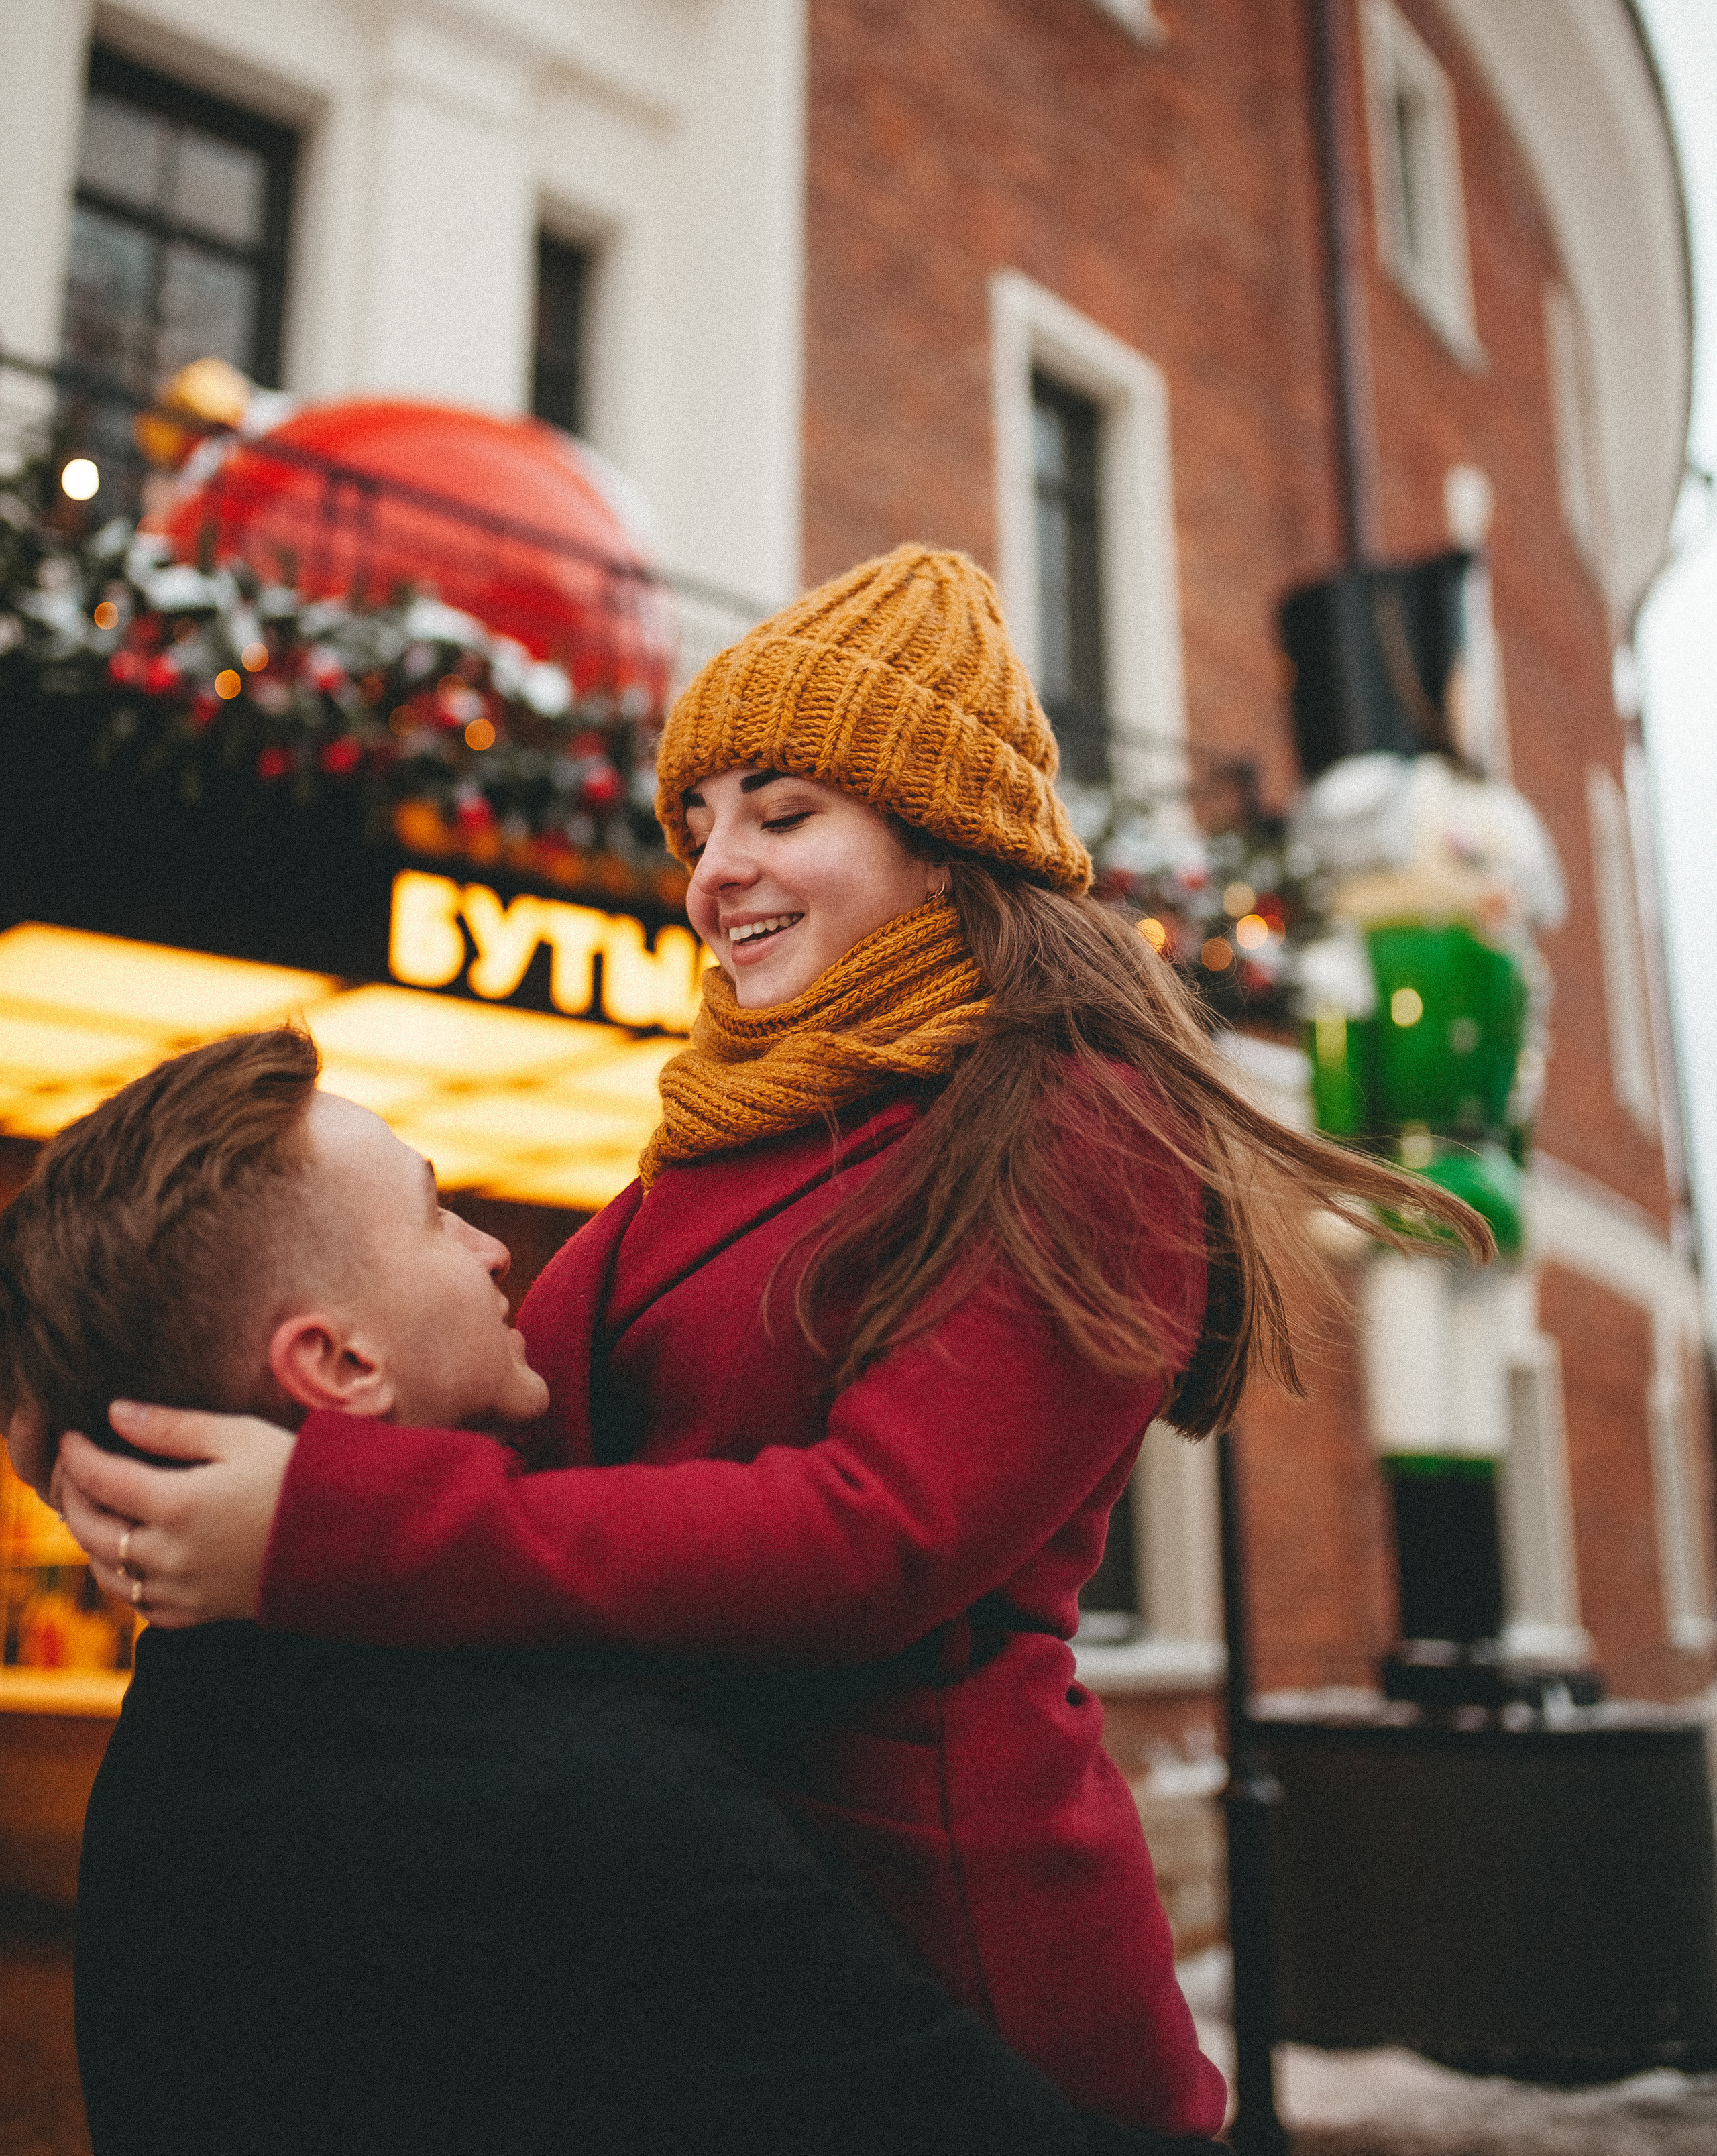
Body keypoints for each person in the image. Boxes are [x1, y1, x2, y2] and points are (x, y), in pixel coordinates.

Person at [46, 545, 1482, 2137]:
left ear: (946, 843)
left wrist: (322, 1528)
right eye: (698, 821)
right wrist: (147, 1432)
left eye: (783, 813)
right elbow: (514, 1433)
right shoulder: (728, 1130)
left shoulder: (1074, 1114)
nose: (714, 868)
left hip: (928, 1961)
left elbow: (874, 1535)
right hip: (675, 1922)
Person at [0, 1028, 1215, 2156]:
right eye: (435, 1214)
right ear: (338, 1365)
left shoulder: (172, 1763)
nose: (492, 1249)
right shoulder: (582, 1787)